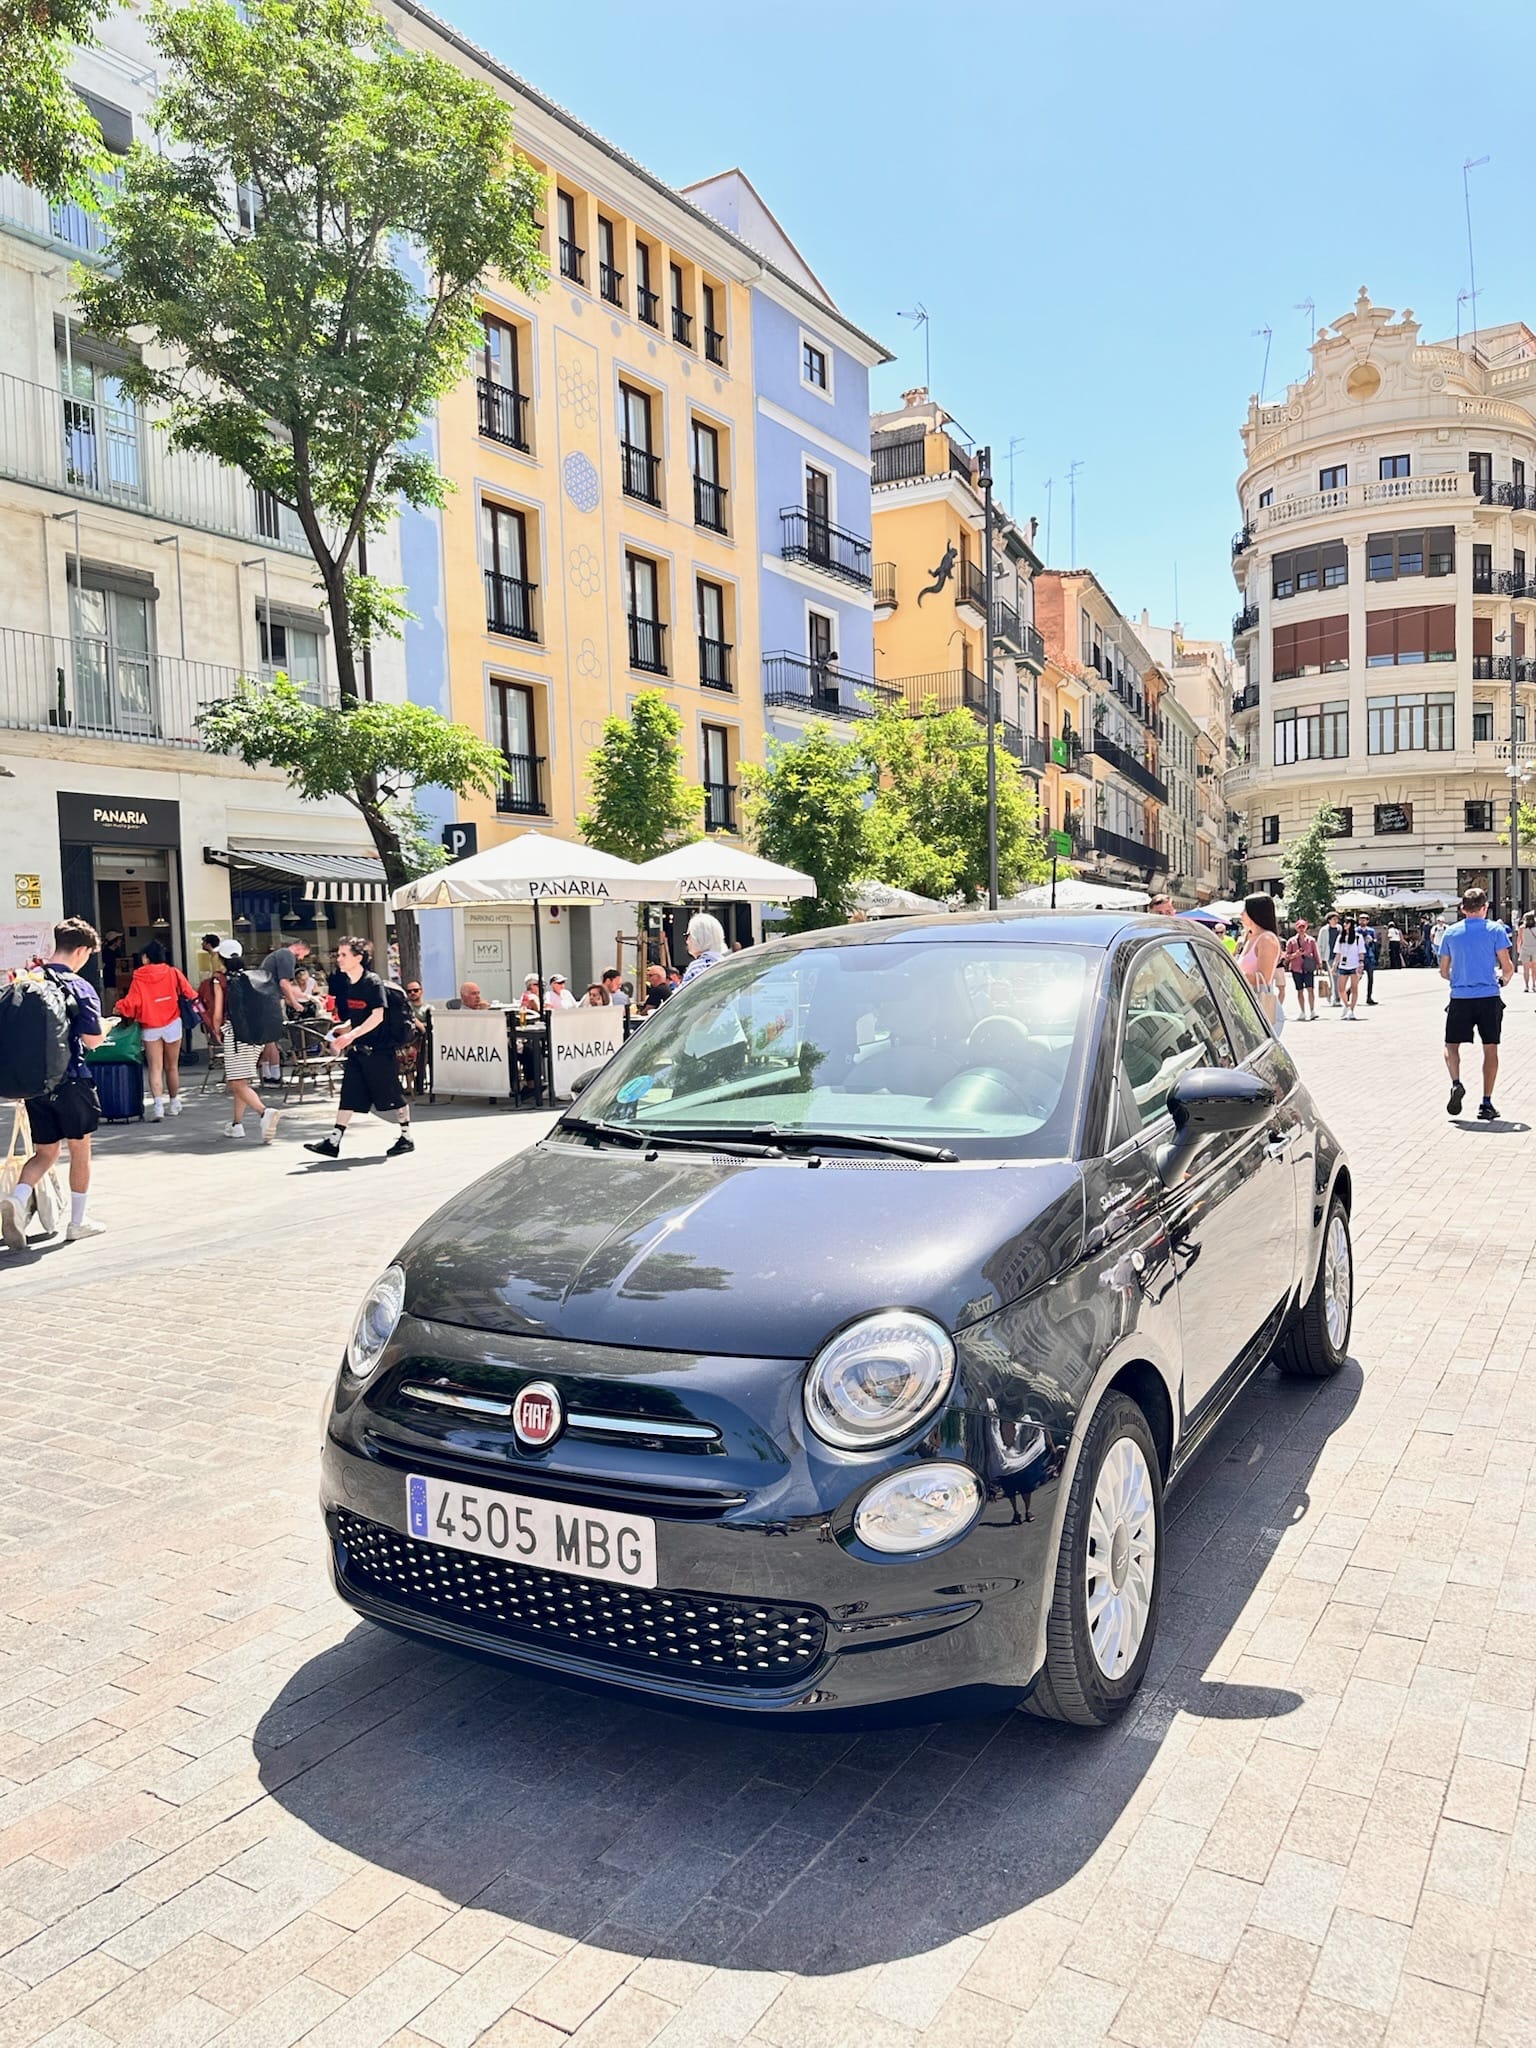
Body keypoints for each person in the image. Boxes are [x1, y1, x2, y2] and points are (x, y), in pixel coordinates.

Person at [1, 917, 107, 1248]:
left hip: (35, 1084)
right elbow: (91, 1040)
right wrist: (105, 1029)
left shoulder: (27, 980)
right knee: (80, 1150)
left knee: (45, 1152)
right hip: (73, 1081)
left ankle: (18, 1200)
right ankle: (78, 1221)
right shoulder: (79, 987)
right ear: (81, 950)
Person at [304, 935, 413, 1159]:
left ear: (359, 958)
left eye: (344, 955)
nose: (339, 959)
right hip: (359, 1051)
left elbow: (377, 1016)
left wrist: (351, 1035)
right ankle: (333, 1141)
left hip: (379, 1052)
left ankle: (406, 1137)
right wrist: (340, 1030)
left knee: (392, 1096)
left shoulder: (371, 983)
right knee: (349, 1095)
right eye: (338, 954)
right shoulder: (350, 983)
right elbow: (358, 1017)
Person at [1439, 885, 1514, 1121]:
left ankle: (1456, 1082)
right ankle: (1486, 1103)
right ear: (1485, 907)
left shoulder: (1450, 933)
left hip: (1460, 997)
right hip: (1488, 996)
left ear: (1462, 909)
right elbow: (1508, 967)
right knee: (1490, 1048)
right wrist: (1501, 981)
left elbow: (1443, 971)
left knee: (1451, 1045)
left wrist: (1459, 980)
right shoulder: (1496, 930)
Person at [209, 942, 282, 1143]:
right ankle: (236, 1125)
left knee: (235, 1082)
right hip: (256, 1035)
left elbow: (217, 1013)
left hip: (235, 1035)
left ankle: (264, 1112)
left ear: (222, 959)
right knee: (241, 1081)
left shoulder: (220, 981)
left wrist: (216, 1031)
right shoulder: (252, 978)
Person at [118, 939, 199, 1117]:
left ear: (146, 957)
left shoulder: (139, 977)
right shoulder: (173, 972)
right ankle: (175, 1102)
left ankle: (158, 1106)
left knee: (155, 1067)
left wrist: (119, 1006)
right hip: (172, 1023)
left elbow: (132, 1003)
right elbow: (190, 993)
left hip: (150, 1025)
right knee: (172, 1067)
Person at [1237, 894, 1284, 1033]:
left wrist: (1234, 973)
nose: (1241, 914)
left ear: (1254, 913)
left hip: (1260, 1006)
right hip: (1248, 1004)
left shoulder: (1266, 939)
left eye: (1245, 910)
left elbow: (1264, 978)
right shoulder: (1250, 937)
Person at [1282, 919, 1320, 1020]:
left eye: (1303, 927)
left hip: (1308, 968)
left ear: (1306, 927)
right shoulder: (1291, 941)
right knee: (1300, 990)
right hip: (1296, 968)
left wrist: (1318, 963)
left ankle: (1312, 1011)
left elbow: (1316, 952)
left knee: (1310, 989)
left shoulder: (1311, 940)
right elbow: (1287, 956)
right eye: (1300, 927)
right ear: (1296, 928)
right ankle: (1302, 1011)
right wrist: (1296, 954)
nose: (1301, 929)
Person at [680, 913, 728, 987]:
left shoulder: (696, 968)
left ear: (698, 937)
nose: (687, 941)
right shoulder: (726, 963)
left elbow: (683, 997)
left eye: (688, 935)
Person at [1333, 917, 1364, 1020]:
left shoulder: (1358, 937)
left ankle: (1352, 1010)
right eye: (1344, 923)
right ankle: (1347, 1005)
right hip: (1343, 965)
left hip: (1354, 965)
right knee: (1341, 988)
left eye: (1347, 923)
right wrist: (1334, 965)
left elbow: (1361, 952)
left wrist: (1361, 963)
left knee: (1354, 988)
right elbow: (1338, 952)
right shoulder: (1340, 937)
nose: (1345, 924)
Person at [1321, 911, 1343, 1007]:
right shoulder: (1324, 930)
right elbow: (1320, 944)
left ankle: (1331, 994)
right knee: (1334, 977)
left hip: (1340, 956)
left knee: (1338, 977)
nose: (1336, 921)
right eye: (1334, 919)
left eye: (1337, 919)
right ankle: (1336, 998)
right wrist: (1320, 958)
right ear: (1329, 920)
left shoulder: (1340, 928)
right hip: (1329, 956)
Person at [1361, 920, 1379, 1006]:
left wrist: (1372, 940)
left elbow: (1375, 942)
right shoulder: (1356, 930)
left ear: (1368, 921)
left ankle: (1369, 997)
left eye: (1364, 919)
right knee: (1357, 977)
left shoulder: (1371, 930)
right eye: (1361, 918)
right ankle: (1349, 992)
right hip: (1360, 956)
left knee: (1370, 978)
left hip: (1369, 956)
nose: (1362, 920)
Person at [1519, 913, 1536, 993]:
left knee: (1526, 969)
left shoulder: (1522, 928)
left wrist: (1518, 949)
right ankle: (1534, 985)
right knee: (1534, 969)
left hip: (1525, 948)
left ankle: (1526, 986)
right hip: (1535, 949)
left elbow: (1519, 940)